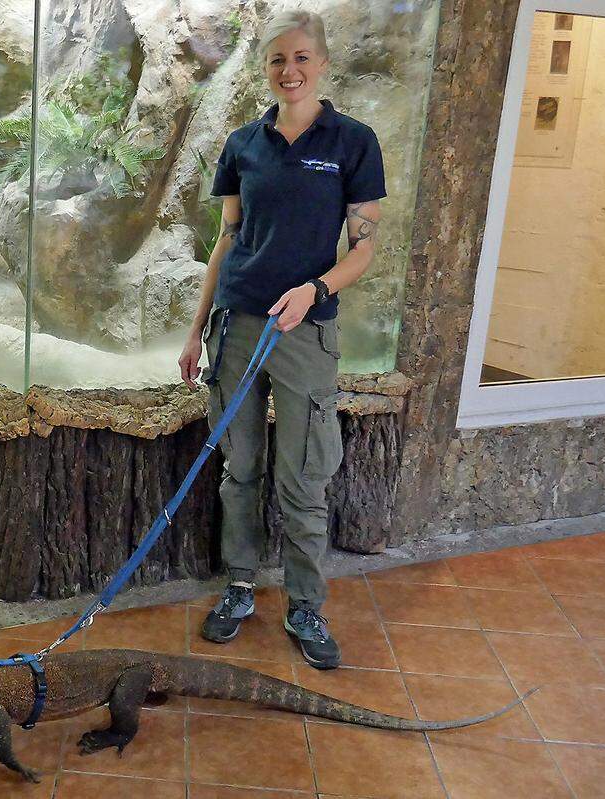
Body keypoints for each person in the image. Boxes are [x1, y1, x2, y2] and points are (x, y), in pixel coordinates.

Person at [177, 10, 385, 670]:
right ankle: (240, 586)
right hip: (237, 325)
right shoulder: (244, 144)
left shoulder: (352, 141)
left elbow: (366, 247)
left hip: (304, 330)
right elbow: (227, 238)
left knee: (303, 474)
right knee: (241, 465)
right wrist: (194, 329)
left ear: (322, 63)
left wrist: (315, 290)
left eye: (300, 58)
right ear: (264, 69)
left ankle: (304, 601)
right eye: (276, 61)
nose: (288, 71)